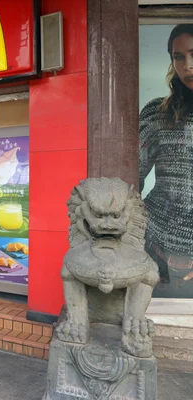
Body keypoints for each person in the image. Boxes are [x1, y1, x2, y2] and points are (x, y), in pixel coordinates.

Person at [139, 24, 193, 297]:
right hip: (158, 245)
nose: (188, 66)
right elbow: (131, 178)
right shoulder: (156, 114)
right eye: (179, 56)